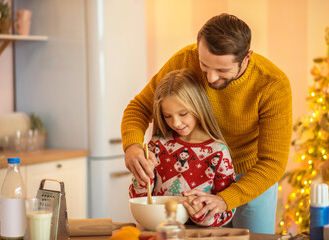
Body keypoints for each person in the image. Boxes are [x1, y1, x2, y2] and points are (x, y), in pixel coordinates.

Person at [122, 13, 292, 234]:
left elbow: (273, 163)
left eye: (222, 70)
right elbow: (139, 108)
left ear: (247, 57)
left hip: (251, 175)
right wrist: (132, 147)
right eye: (204, 66)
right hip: (199, 170)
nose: (210, 78)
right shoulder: (184, 60)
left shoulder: (273, 84)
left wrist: (225, 199)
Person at [129, 69, 236, 227]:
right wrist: (143, 178)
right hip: (159, 230)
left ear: (198, 106)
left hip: (200, 235)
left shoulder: (218, 152)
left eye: (183, 113)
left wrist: (202, 215)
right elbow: (140, 196)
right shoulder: (157, 145)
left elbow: (227, 212)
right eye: (167, 116)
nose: (176, 123)